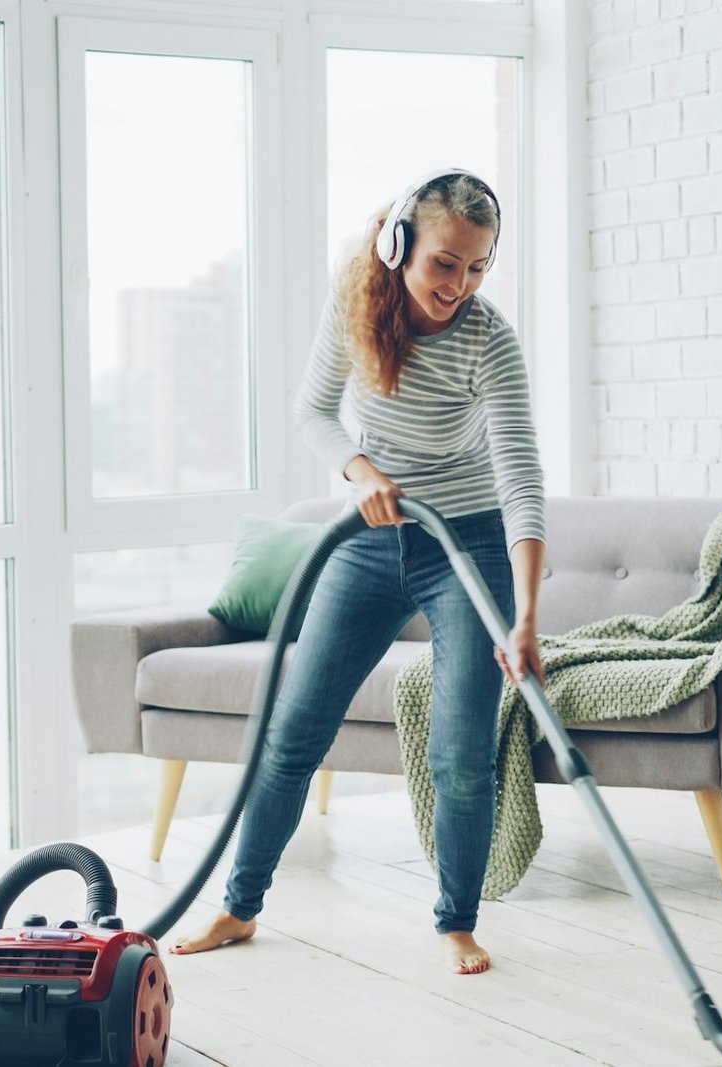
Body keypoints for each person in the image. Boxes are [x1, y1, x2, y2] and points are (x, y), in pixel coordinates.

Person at [172, 170, 546, 976]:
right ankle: (239, 906)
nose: (460, 285)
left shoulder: (489, 339)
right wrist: (360, 467)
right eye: (447, 263)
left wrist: (524, 617)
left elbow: (519, 480)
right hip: (370, 542)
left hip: (467, 548)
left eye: (478, 267)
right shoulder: (356, 308)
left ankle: (457, 920)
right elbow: (311, 408)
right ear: (399, 242)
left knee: (460, 752)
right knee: (293, 733)